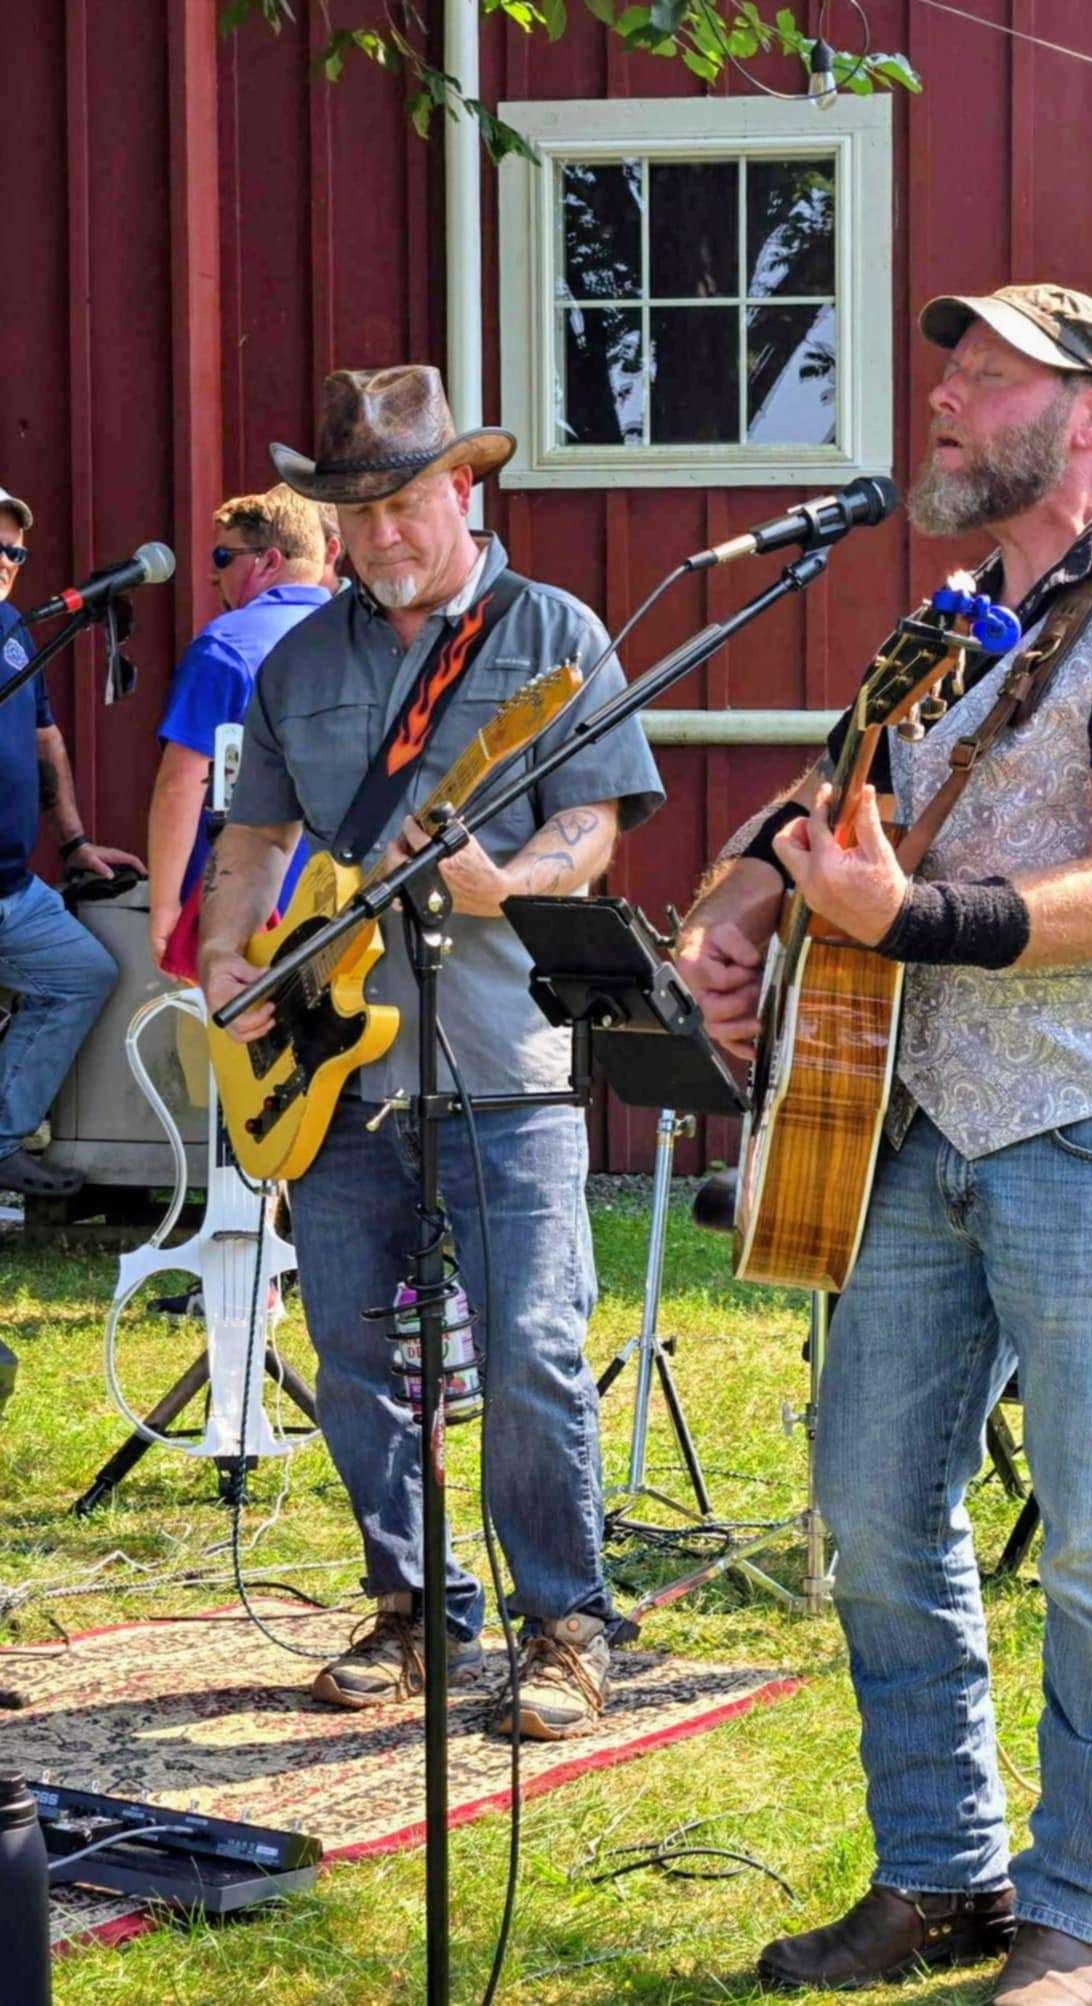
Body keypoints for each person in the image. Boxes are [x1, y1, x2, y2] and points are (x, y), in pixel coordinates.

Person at [675, 286, 1092, 2004]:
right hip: (908, 1121)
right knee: (869, 1506)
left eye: (984, 372)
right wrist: (733, 909)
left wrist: (901, 912)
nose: (940, 394)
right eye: (945, 366)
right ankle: (941, 1874)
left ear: (1091, 415)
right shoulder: (946, 619)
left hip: (1089, 1122)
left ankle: (1074, 1913)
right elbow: (828, 793)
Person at [199, 366, 663, 1735]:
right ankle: (412, 1607)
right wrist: (229, 955)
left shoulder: (552, 635)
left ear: (465, 487)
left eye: (406, 501)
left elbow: (597, 822)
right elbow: (253, 841)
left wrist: (508, 881)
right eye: (355, 512)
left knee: (529, 1348)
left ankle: (567, 1621)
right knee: (350, 1348)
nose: (384, 535)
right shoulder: (297, 661)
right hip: (332, 1069)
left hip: (502, 1054)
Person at [0, 483, 145, 1197]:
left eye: (16, 549)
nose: (7, 560)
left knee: (81, 974)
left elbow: (44, 738)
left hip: (11, 889)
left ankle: (0, 1140)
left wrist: (74, 843)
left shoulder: (14, 630)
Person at [146, 486, 329, 974]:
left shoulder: (226, 646)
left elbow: (182, 783)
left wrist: (164, 909)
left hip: (244, 916)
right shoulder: (367, 639)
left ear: (268, 561)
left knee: (231, 1045)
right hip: (348, 910)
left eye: (223, 556)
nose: (211, 573)